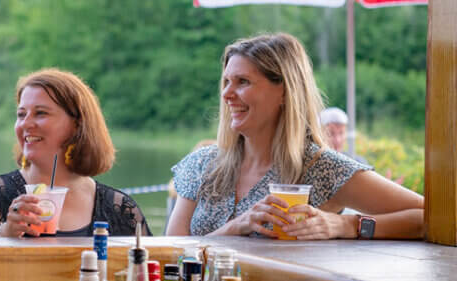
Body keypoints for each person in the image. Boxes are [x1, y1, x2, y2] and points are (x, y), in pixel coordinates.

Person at [166, 33, 424, 239]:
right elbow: (171, 255)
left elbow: (434, 217)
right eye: (226, 82)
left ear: (285, 92)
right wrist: (234, 228)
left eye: (242, 82)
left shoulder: (322, 168)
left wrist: (345, 225)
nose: (227, 94)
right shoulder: (202, 164)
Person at [0, 68, 151, 237]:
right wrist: (5, 237)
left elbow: (147, 278)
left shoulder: (121, 210)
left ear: (77, 124)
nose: (26, 124)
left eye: (41, 113)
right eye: (21, 114)